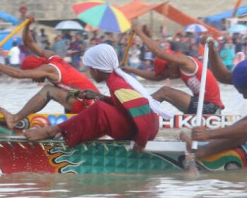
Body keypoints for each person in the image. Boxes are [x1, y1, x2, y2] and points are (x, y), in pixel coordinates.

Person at [22, 44, 166, 152]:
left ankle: (51, 131)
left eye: (90, 69)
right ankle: (64, 133)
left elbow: (143, 110)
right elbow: (122, 106)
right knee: (100, 105)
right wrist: (100, 96)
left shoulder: (118, 84)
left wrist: (141, 143)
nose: (89, 73)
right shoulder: (116, 80)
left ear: (96, 70)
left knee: (99, 109)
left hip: (144, 132)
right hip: (142, 129)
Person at [0, 24, 99, 129]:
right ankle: (68, 127)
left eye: (32, 75)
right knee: (63, 92)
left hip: (90, 107)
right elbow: (29, 43)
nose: (33, 79)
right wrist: (27, 26)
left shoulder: (49, 70)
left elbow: (18, 74)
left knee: (48, 90)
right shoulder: (52, 57)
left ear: (35, 70)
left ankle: (15, 119)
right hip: (93, 104)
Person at [123, 28, 224, 115]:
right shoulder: (176, 68)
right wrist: (131, 70)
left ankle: (135, 113)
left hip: (211, 107)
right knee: (164, 91)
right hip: (202, 106)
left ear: (170, 65)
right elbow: (155, 77)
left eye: (168, 74)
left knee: (164, 91)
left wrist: (139, 33)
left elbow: (159, 52)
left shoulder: (185, 62)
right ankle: (141, 112)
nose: (170, 78)